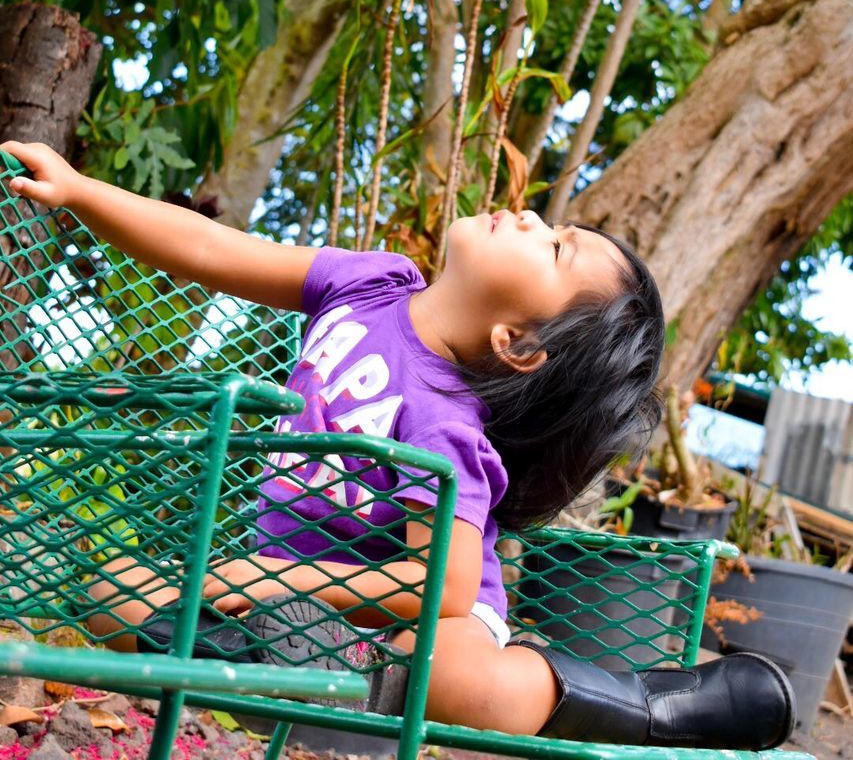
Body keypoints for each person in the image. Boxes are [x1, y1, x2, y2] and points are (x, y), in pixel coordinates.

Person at [0, 140, 794, 748]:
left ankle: (654, 705)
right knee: (112, 590)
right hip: (293, 603)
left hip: (422, 620)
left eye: (554, 248)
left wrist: (257, 573)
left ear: (516, 341)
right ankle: (306, 667)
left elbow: (443, 588)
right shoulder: (369, 283)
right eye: (557, 227)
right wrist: (80, 192)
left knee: (452, 676)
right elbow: (214, 251)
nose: (530, 217)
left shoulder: (444, 423)